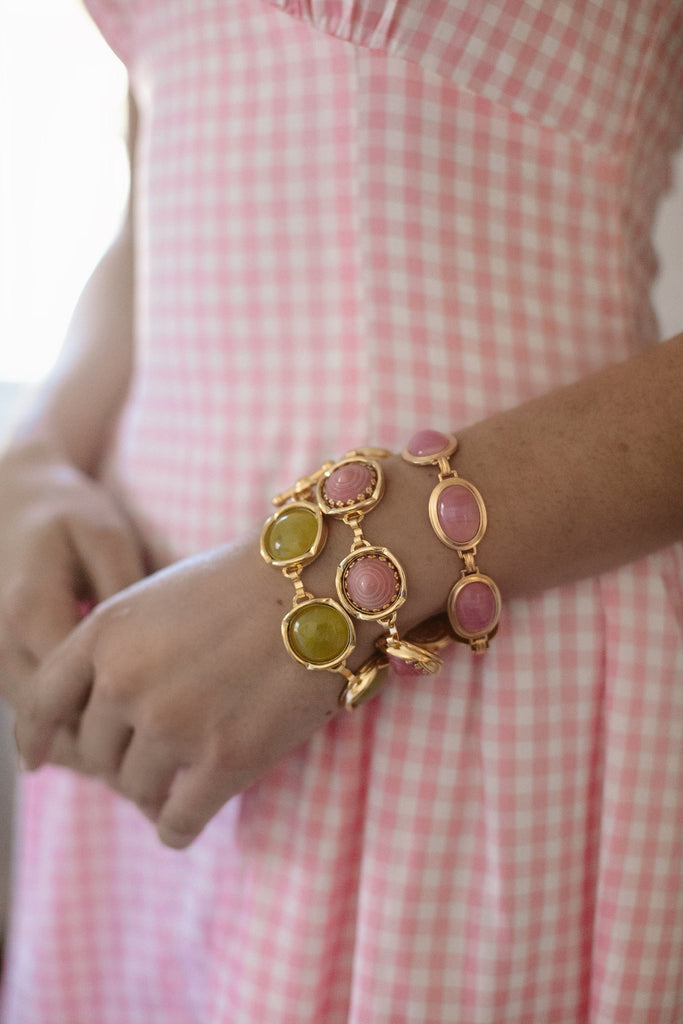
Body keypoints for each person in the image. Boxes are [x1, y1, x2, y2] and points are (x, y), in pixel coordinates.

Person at [0, 1, 681, 1020]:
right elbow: (156, 203)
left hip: (472, 681)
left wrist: (336, 574)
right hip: (145, 679)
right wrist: (38, 455)